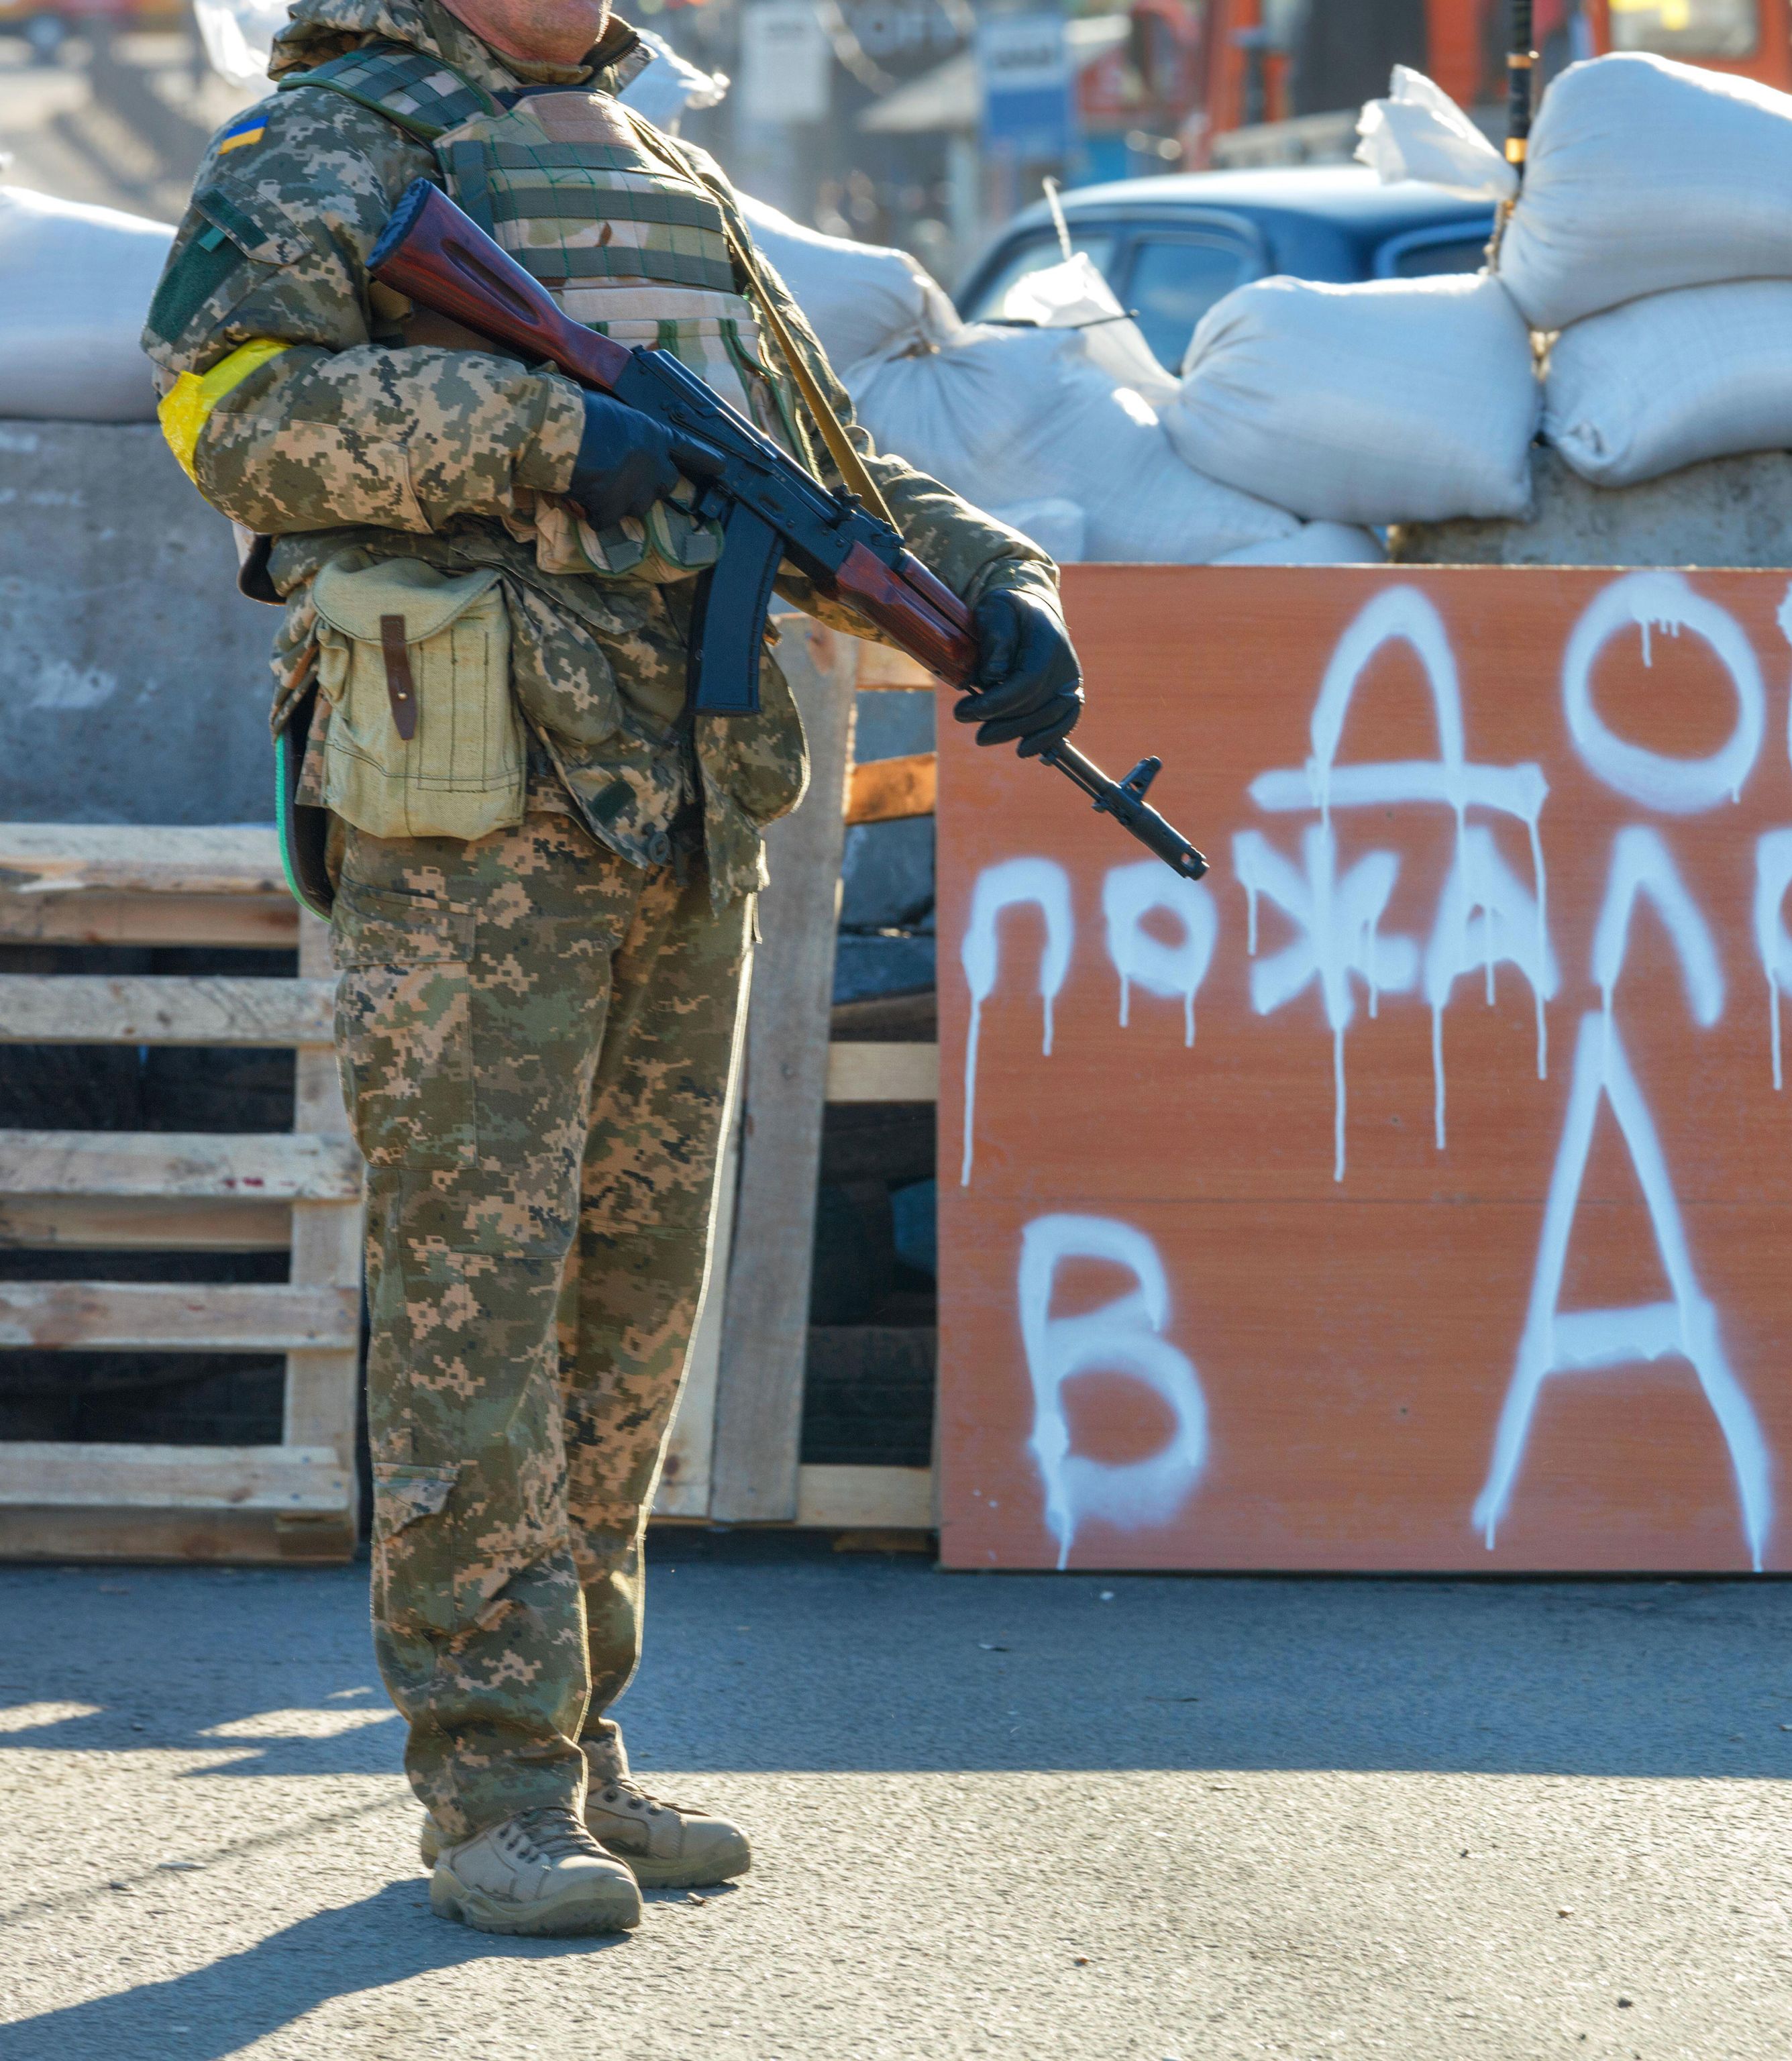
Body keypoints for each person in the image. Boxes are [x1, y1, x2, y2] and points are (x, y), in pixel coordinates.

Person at [140, 0, 1075, 1940]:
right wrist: (544, 429)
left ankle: (583, 1747)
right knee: (477, 1288)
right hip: (477, 802)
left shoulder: (653, 167)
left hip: (686, 803)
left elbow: (804, 465)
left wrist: (1000, 589)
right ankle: (487, 1779)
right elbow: (226, 416)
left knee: (634, 1292)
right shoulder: (333, 139)